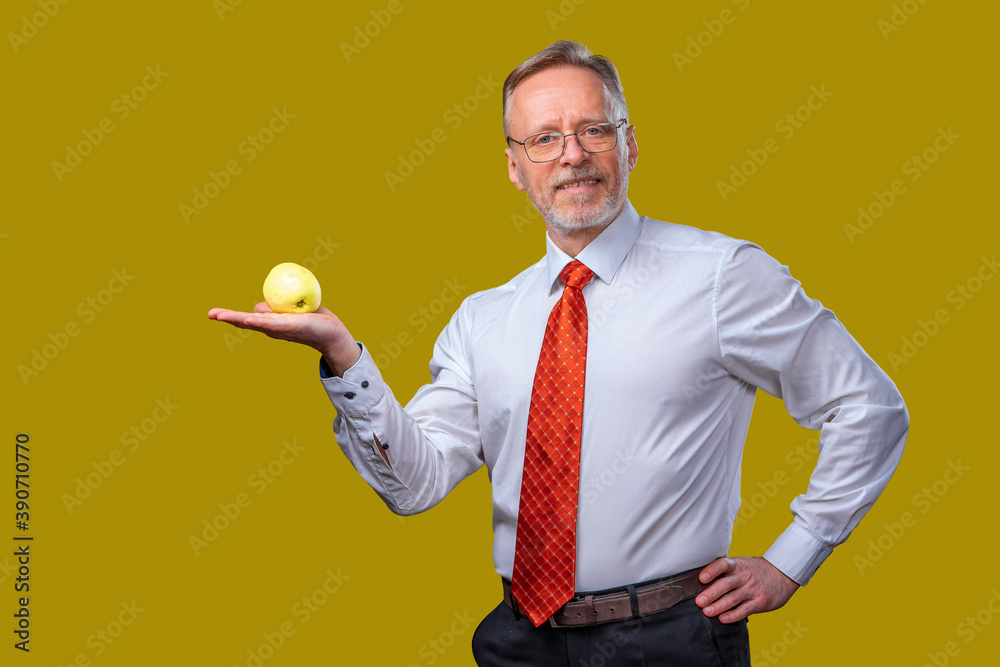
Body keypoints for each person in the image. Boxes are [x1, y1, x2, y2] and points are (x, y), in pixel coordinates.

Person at [209, 40, 908, 665]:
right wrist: (342, 354)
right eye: (543, 138)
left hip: (669, 639)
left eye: (591, 130)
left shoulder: (723, 276)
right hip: (519, 639)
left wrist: (793, 557)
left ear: (629, 145)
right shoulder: (483, 320)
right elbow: (413, 484)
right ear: (515, 168)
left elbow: (868, 406)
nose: (571, 154)